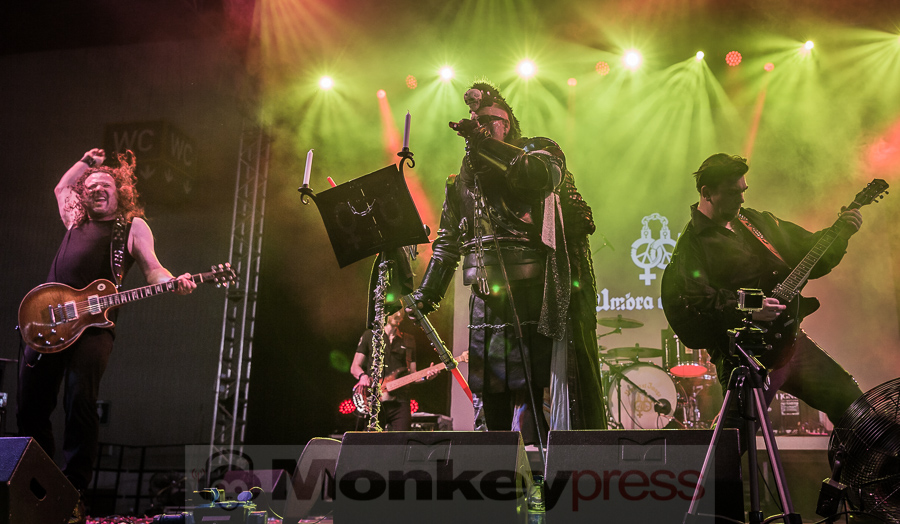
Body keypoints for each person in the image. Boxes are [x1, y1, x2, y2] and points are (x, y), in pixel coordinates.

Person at [407, 81, 606, 444]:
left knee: (534, 396)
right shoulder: (460, 181)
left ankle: (545, 470)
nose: (479, 127)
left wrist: (485, 144)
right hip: (485, 300)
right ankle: (497, 473)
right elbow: (447, 243)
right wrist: (426, 295)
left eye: (488, 121)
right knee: (489, 400)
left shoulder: (538, 152)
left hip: (535, 295)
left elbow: (539, 176)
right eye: (475, 122)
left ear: (507, 123)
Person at [17, 148, 196, 522]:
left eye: (106, 186)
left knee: (80, 402)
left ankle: (73, 492)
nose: (97, 189)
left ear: (120, 192)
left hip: (94, 328)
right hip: (47, 323)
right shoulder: (74, 219)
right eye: (92, 187)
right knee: (30, 408)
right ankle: (39, 486)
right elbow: (61, 187)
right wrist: (87, 163)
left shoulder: (131, 227)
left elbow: (153, 269)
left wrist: (173, 281)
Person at [661, 153, 864, 443]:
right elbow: (691, 298)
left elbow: (807, 251)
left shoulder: (755, 221)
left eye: (743, 190)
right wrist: (749, 307)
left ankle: (861, 470)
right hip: (744, 356)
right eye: (733, 193)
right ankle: (702, 474)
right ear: (707, 193)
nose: (742, 199)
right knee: (732, 442)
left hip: (791, 342)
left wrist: (840, 233)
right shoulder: (692, 244)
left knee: (854, 408)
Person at [351, 309, 418, 431]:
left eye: (401, 312)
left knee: (403, 439)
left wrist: (427, 377)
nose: (399, 314)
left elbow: (413, 375)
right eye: (396, 311)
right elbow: (355, 367)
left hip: (400, 401)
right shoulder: (370, 335)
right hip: (374, 399)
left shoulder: (408, 340)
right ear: (387, 312)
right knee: (373, 440)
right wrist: (362, 376)